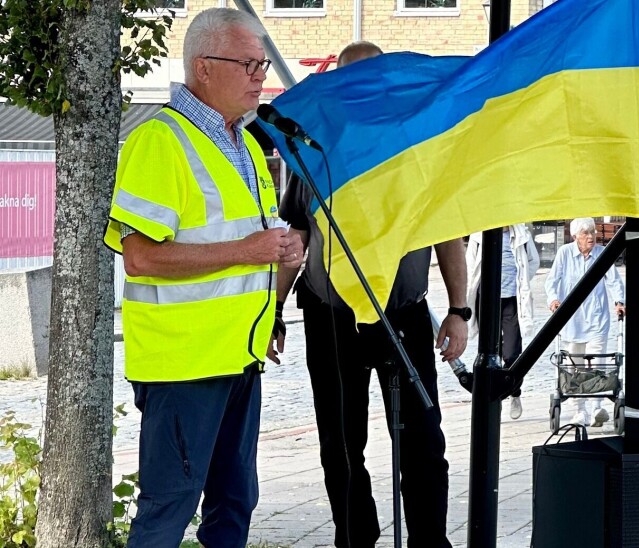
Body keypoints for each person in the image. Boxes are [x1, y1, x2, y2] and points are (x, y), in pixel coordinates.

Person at [103, 8, 302, 547]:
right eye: (249, 64)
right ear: (204, 67)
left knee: (235, 505)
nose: (261, 76)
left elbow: (255, 235)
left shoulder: (245, 145)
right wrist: (250, 250)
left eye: (262, 64)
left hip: (239, 357)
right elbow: (140, 256)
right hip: (184, 366)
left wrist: (285, 246)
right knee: (167, 513)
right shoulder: (160, 142)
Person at [270, 40, 467, 548]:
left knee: (423, 439)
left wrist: (460, 310)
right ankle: (355, 537)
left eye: (369, 77)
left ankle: (429, 541)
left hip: (403, 311)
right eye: (348, 79)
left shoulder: (417, 144)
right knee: (340, 441)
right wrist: (273, 310)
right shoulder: (314, 147)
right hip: (330, 314)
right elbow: (297, 235)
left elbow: (448, 233)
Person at [544, 217, 625, 428]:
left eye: (593, 232)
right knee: (575, 366)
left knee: (597, 362)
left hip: (597, 318)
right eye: (585, 233)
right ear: (575, 236)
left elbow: (614, 280)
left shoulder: (601, 253)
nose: (591, 237)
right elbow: (552, 281)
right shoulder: (565, 254)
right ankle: (581, 411)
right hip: (572, 320)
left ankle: (597, 407)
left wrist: (619, 301)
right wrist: (553, 299)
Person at [465, 225, 540, 419]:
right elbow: (470, 264)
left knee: (513, 352)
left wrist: (521, 280)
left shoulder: (521, 234)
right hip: (487, 300)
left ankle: (514, 392)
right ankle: (495, 400)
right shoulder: (478, 235)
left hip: (512, 299)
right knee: (491, 353)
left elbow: (533, 261)